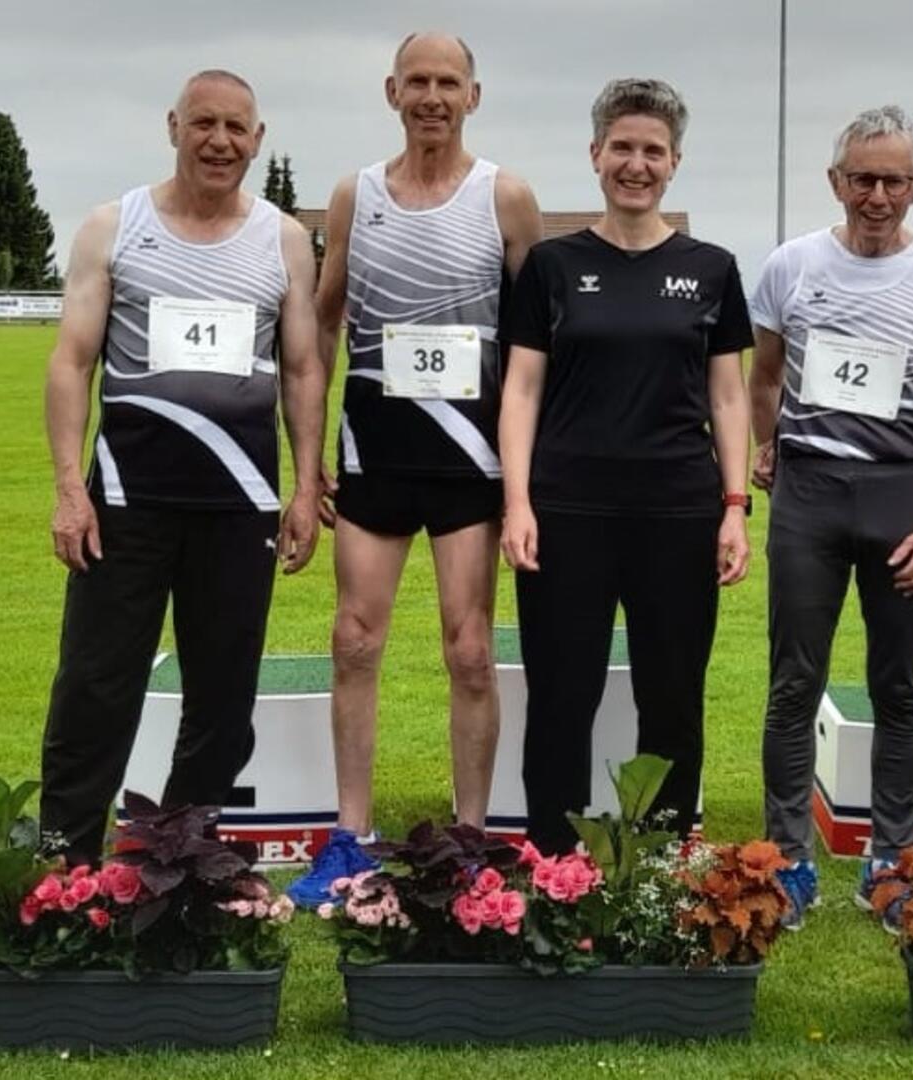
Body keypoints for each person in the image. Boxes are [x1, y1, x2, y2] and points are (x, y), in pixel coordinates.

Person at [38, 69, 326, 864]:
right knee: (96, 689)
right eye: (205, 124)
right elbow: (71, 364)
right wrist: (70, 491)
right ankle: (65, 868)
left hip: (240, 508)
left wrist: (306, 486)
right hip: (126, 503)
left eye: (237, 129)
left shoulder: (284, 240)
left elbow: (302, 370)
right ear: (174, 126)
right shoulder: (113, 226)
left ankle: (178, 868)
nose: (220, 142)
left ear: (258, 141)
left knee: (223, 701)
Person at [287, 33, 542, 906]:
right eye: (418, 82)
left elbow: (532, 347)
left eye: (449, 82)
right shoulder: (355, 195)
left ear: (475, 93)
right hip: (377, 452)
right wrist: (313, 454)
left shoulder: (505, 198)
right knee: (355, 639)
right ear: (392, 90)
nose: (432, 96)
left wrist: (522, 481)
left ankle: (471, 841)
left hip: (470, 461)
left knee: (470, 653)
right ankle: (348, 839)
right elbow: (322, 325)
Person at [749, 106, 913, 930]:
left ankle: (891, 861)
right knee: (793, 683)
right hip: (812, 495)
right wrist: (765, 448)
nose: (877, 195)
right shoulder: (791, 266)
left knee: (900, 688)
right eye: (863, 179)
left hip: (905, 495)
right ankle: (787, 863)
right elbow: (764, 376)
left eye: (894, 180)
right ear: (836, 182)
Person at [500, 77, 752, 854]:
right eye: (622, 148)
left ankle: (660, 870)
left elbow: (729, 397)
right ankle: (554, 865)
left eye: (652, 151)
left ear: (673, 163)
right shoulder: (551, 265)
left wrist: (735, 505)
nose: (635, 164)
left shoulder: (711, 268)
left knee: (671, 699)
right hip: (567, 512)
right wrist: (518, 502)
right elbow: (522, 386)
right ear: (596, 154)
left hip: (677, 512)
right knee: (560, 699)